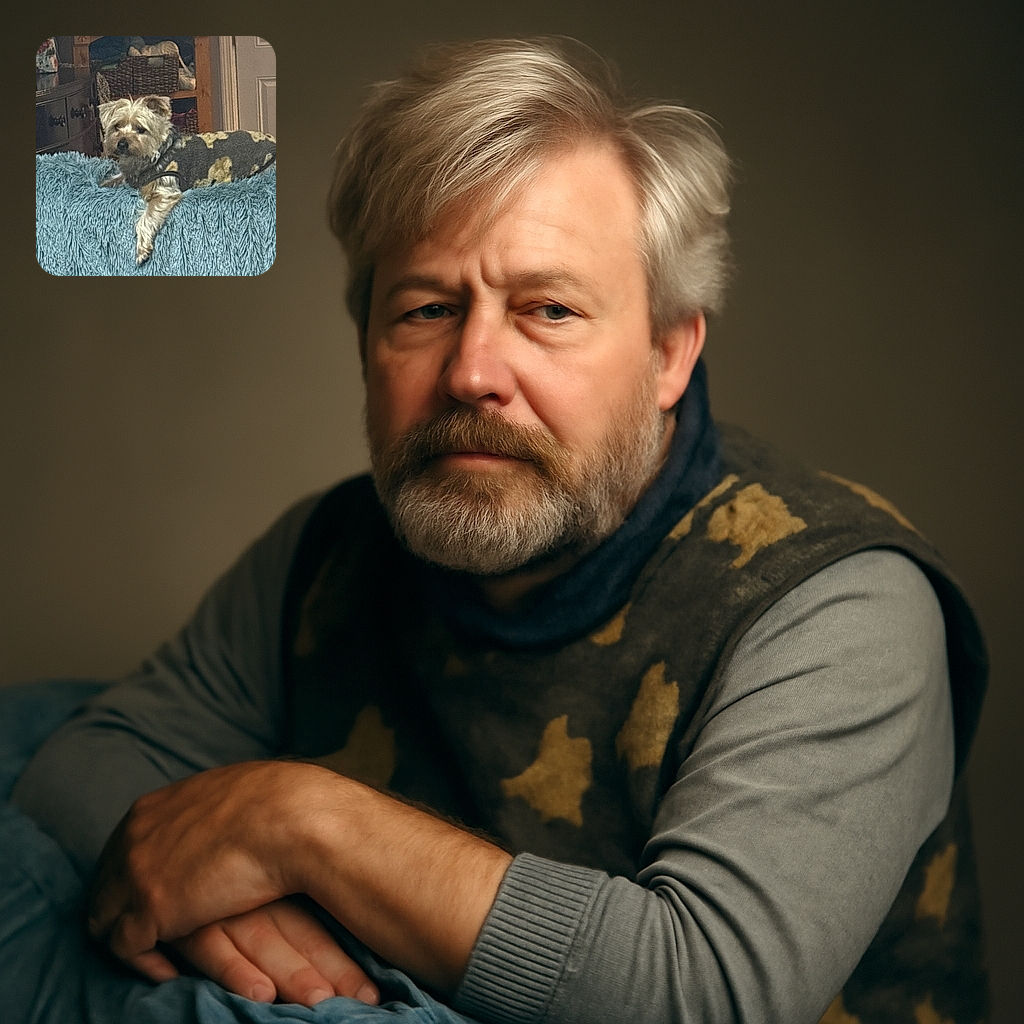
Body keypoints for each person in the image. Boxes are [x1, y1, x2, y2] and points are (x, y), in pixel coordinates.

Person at [9, 36, 987, 1024]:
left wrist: (296, 818)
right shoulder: (325, 554)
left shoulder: (831, 600)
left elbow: (702, 994)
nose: (473, 368)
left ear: (667, 355)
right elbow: (86, 763)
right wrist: (243, 927)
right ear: (364, 346)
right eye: (427, 308)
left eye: (548, 309)